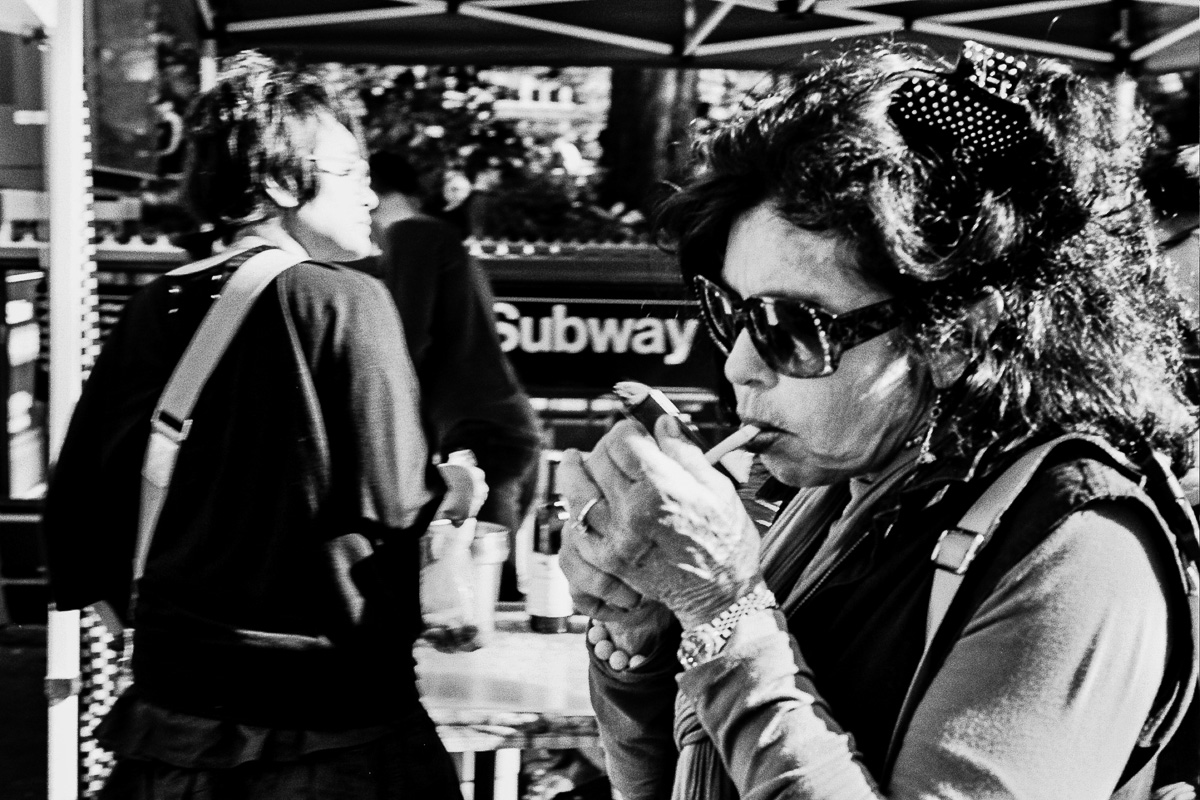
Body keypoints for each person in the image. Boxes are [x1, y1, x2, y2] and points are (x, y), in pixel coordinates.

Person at [556, 42, 1200, 800]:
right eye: (730, 313)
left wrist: (723, 609)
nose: (739, 364)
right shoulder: (835, 490)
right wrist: (648, 639)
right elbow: (670, 784)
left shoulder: (1076, 545)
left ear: (952, 336)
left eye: (792, 327)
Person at [42, 52, 480, 799]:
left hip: (169, 735)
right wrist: (459, 493)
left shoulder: (154, 306)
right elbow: (396, 505)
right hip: (329, 734)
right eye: (349, 171)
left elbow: (76, 527)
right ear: (278, 182)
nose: (370, 193)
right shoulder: (347, 301)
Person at [355, 152, 542, 595]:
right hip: (493, 425)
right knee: (485, 584)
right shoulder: (438, 239)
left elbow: (405, 339)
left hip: (477, 431)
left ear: (372, 193)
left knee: (481, 590)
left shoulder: (413, 236)